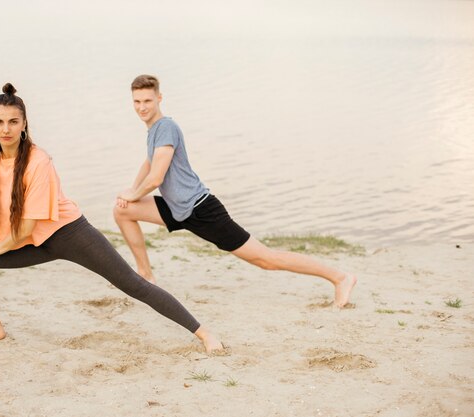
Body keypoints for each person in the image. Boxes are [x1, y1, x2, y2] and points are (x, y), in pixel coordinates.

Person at [0, 83, 222, 353]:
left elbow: (26, 227)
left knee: (131, 283)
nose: (5, 129)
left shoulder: (38, 161)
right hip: (27, 242)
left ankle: (204, 333)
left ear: (24, 124)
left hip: (68, 234)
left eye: (13, 122)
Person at [114, 74, 357, 308]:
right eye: (137, 101)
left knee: (266, 259)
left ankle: (340, 277)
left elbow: (156, 177)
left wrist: (133, 195)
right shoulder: (154, 129)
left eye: (147, 101)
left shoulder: (166, 127)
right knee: (123, 211)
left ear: (159, 98)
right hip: (178, 209)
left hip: (200, 209)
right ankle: (146, 276)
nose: (142, 107)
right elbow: (148, 164)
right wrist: (132, 190)